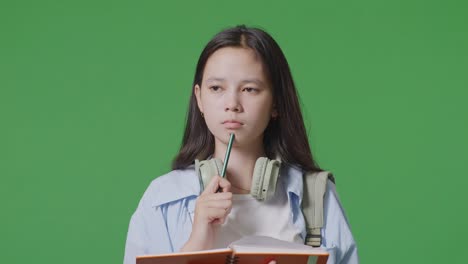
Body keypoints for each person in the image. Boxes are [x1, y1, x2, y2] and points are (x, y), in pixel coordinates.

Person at [124, 25, 358, 264]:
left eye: (249, 89)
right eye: (216, 88)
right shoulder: (162, 198)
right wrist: (197, 242)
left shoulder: (317, 196)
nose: (232, 104)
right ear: (199, 99)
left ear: (276, 103)